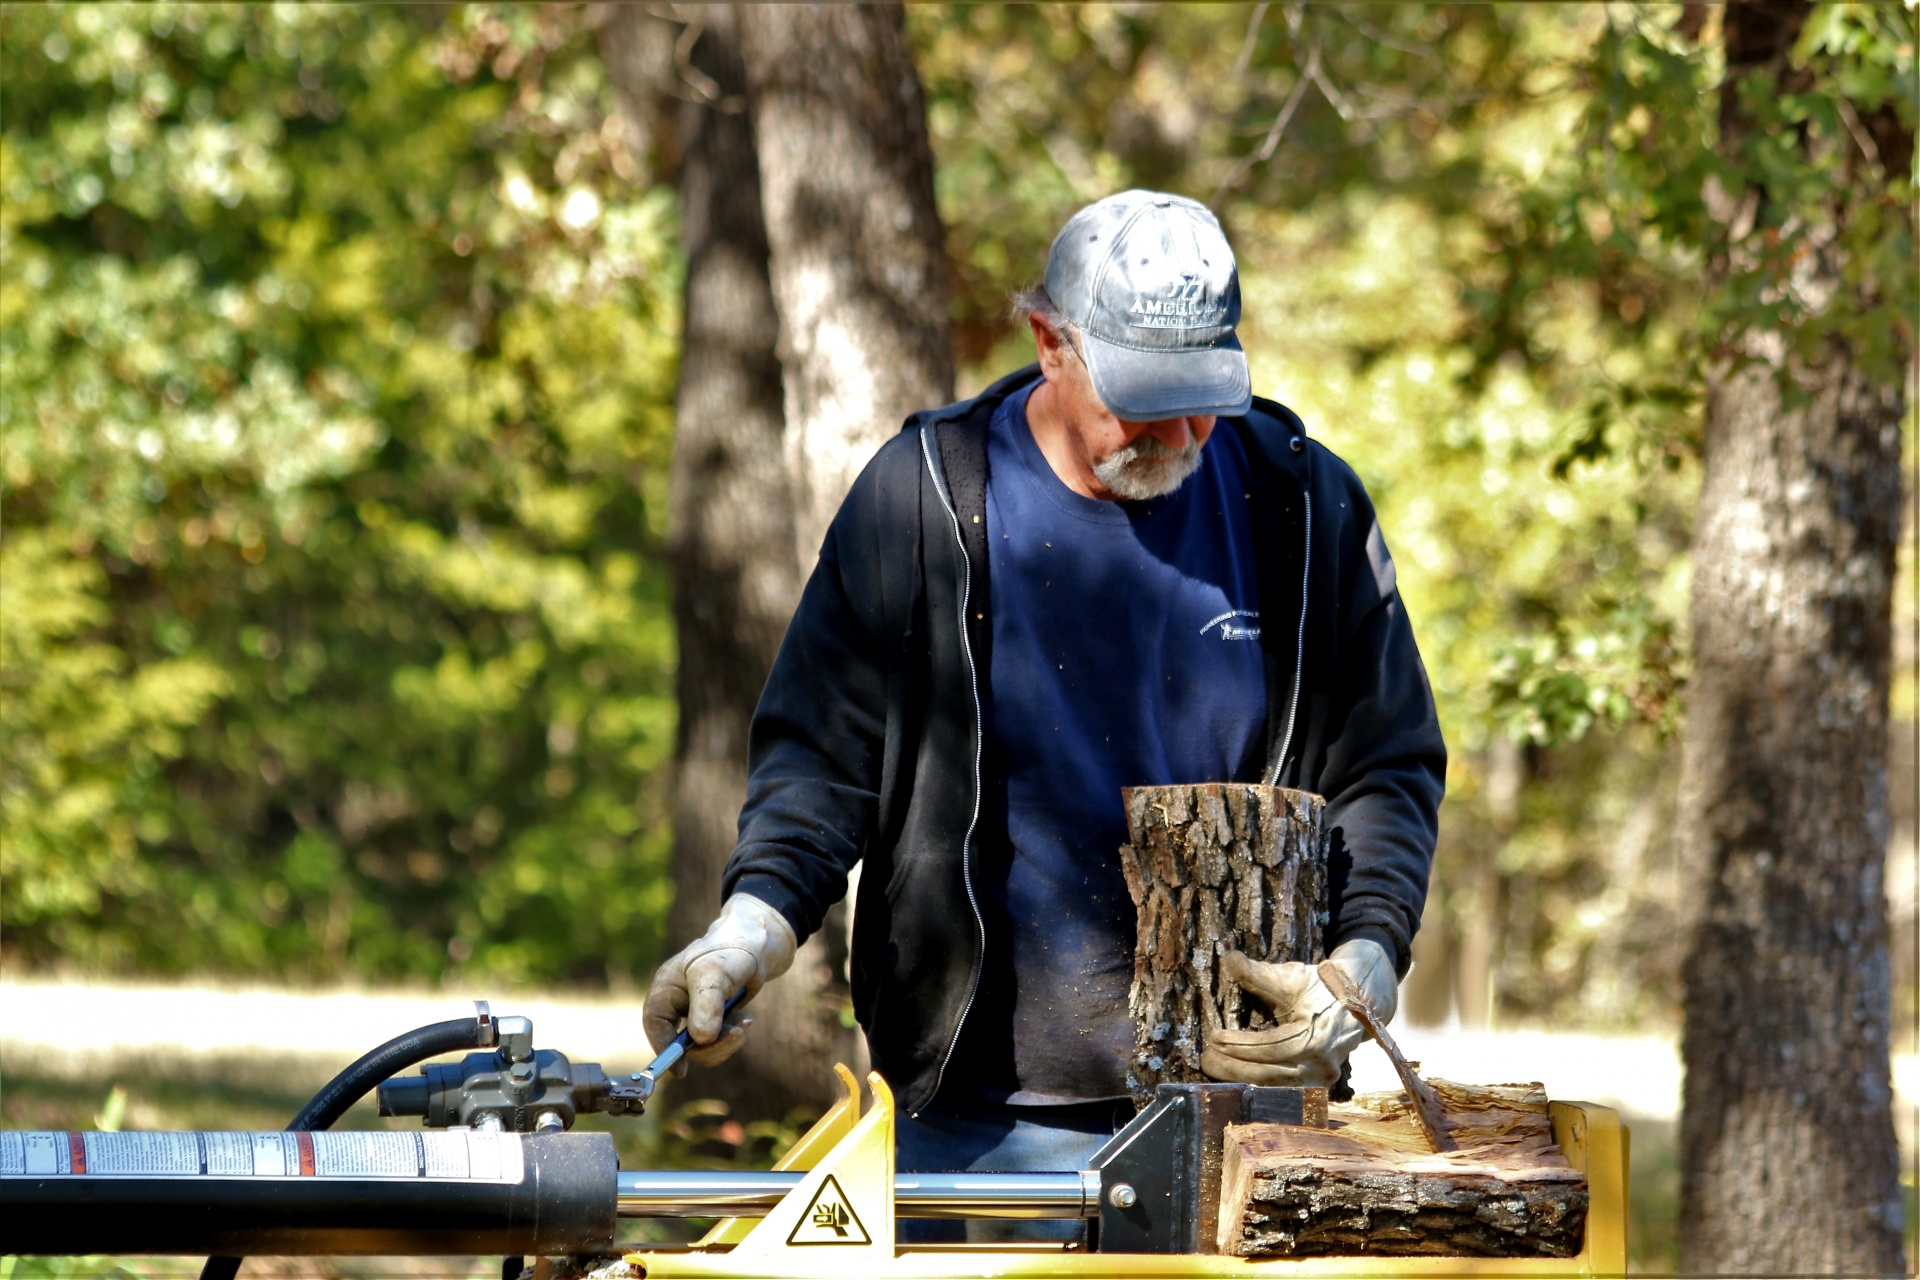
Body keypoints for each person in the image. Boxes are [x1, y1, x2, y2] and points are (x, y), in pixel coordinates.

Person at [642, 190, 1445, 1238]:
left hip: (1245, 1114)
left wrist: (1364, 966)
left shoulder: (1301, 508)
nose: (1183, 429)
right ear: (1049, 342)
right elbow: (821, 756)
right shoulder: (926, 498)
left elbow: (1385, 764)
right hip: (972, 1122)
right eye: (1144, 397)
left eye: (1204, 393)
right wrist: (748, 931)